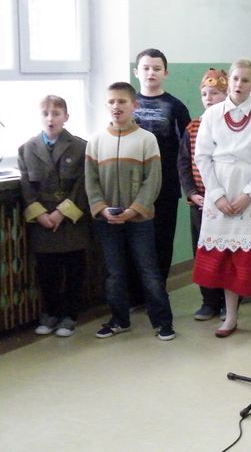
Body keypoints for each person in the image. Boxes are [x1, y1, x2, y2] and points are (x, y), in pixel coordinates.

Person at [192, 60, 251, 339]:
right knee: (227, 257)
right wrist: (216, 195)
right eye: (236, 79)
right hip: (220, 190)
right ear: (229, 81)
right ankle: (230, 316)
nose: (239, 85)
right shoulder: (212, 115)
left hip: (250, 191)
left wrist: (249, 194)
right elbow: (202, 157)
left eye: (246, 80)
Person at [85, 82, 175, 341]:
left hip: (140, 220)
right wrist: (102, 209)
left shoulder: (147, 139)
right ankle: (119, 320)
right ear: (106, 105)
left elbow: (152, 180)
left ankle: (163, 322)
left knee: (149, 271)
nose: (117, 106)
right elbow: (91, 180)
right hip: (107, 220)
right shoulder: (96, 141)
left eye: (122, 101)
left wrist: (134, 210)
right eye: (111, 102)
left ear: (134, 105)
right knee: (114, 273)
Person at [18, 95, 89, 337]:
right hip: (43, 221)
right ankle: (50, 313)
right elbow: (26, 187)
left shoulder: (80, 147)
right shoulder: (27, 148)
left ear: (66, 117)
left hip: (71, 220)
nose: (51, 119)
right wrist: (40, 214)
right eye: (45, 114)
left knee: (73, 270)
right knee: (47, 272)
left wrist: (61, 213)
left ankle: (70, 315)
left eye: (56, 114)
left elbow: (82, 185)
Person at [132, 48, 192, 295]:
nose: (151, 73)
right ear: (136, 72)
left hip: (166, 186)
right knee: (135, 240)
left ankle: (158, 292)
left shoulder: (176, 107)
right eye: (145, 68)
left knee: (162, 240)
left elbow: (188, 150)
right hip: (132, 186)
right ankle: (136, 294)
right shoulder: (127, 104)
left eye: (156, 68)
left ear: (166, 73)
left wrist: (188, 185)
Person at [177, 68, 228, 321]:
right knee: (203, 252)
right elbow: (184, 163)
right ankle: (209, 301)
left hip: (226, 202)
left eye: (215, 93)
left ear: (226, 95)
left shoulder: (232, 126)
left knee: (225, 252)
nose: (209, 98)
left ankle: (228, 301)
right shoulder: (193, 127)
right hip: (200, 203)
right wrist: (191, 192)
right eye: (205, 94)